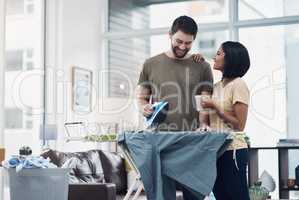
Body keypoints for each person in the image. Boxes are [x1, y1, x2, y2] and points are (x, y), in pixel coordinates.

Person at [136, 15, 213, 199]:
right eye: (179, 41)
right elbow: (142, 98)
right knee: (162, 195)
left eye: (188, 43)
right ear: (169, 35)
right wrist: (143, 108)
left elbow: (204, 100)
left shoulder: (201, 66)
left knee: (194, 194)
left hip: (192, 142)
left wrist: (203, 123)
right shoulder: (150, 64)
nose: (183, 47)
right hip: (161, 141)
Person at [198, 41, 251, 200]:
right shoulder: (215, 87)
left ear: (231, 59)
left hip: (233, 151)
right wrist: (203, 108)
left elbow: (239, 125)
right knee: (220, 196)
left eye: (219, 53)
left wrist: (215, 105)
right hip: (215, 151)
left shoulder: (238, 85)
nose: (215, 56)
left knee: (236, 196)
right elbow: (206, 122)